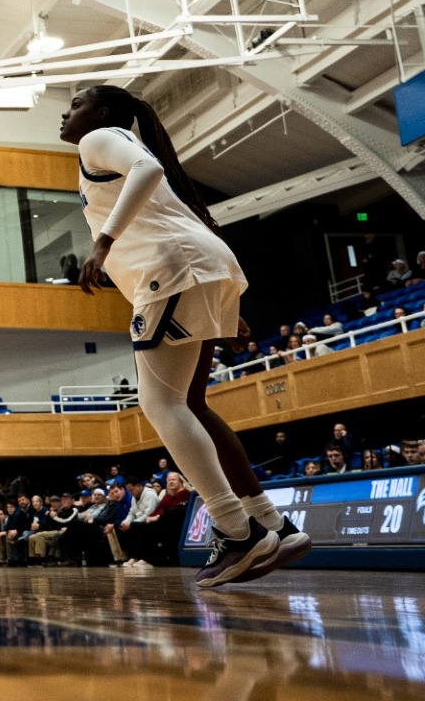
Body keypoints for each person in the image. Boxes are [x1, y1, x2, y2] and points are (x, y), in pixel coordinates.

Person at [61, 85, 311, 587]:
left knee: (161, 405)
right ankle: (271, 524)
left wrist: (103, 243)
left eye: (75, 105)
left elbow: (147, 172)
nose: (65, 114)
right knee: (191, 404)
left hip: (174, 272)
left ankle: (233, 530)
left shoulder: (100, 139)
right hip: (199, 267)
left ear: (103, 113)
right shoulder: (107, 145)